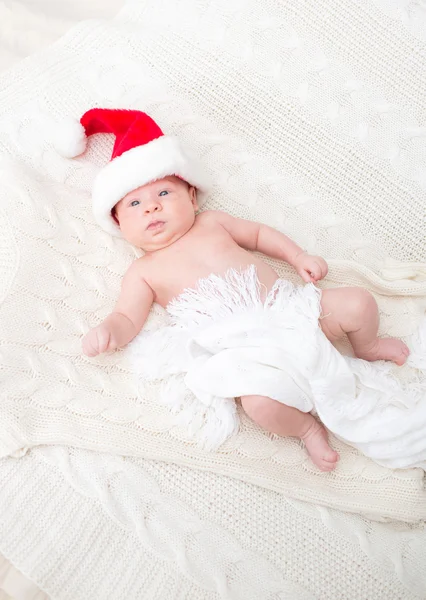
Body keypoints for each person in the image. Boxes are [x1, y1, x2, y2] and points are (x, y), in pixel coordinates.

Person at [59, 107, 409, 471]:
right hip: (244, 350)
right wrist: (109, 332)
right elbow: (126, 317)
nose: (152, 207)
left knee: (358, 303)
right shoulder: (142, 271)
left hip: (290, 311)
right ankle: (306, 429)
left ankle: (368, 347)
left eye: (164, 191)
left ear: (192, 198)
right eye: (134, 203)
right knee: (261, 406)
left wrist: (297, 255)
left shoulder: (212, 223)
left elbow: (258, 235)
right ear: (118, 223)